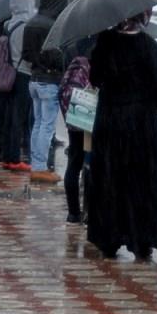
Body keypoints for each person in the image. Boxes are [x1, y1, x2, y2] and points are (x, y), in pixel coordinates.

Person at [86, 11, 157, 260]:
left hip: (110, 119)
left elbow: (95, 79)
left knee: (110, 177)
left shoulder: (105, 42)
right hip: (141, 122)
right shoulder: (149, 46)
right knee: (141, 180)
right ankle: (141, 240)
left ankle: (108, 238)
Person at [21, 0, 68, 183]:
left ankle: (36, 164)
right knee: (47, 126)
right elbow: (55, 55)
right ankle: (40, 167)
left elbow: (26, 54)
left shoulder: (31, 22)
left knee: (38, 124)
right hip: (49, 81)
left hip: (34, 79)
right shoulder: (51, 25)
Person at [59, 38, 94, 223]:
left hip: (74, 106)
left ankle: (73, 212)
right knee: (90, 161)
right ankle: (89, 212)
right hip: (91, 105)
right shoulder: (102, 42)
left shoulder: (71, 46)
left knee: (74, 160)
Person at [1, 0, 36, 172]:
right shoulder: (25, 26)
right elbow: (26, 51)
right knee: (19, 117)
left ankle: (7, 155)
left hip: (9, 73)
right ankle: (15, 158)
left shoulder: (8, 24)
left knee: (9, 115)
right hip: (23, 73)